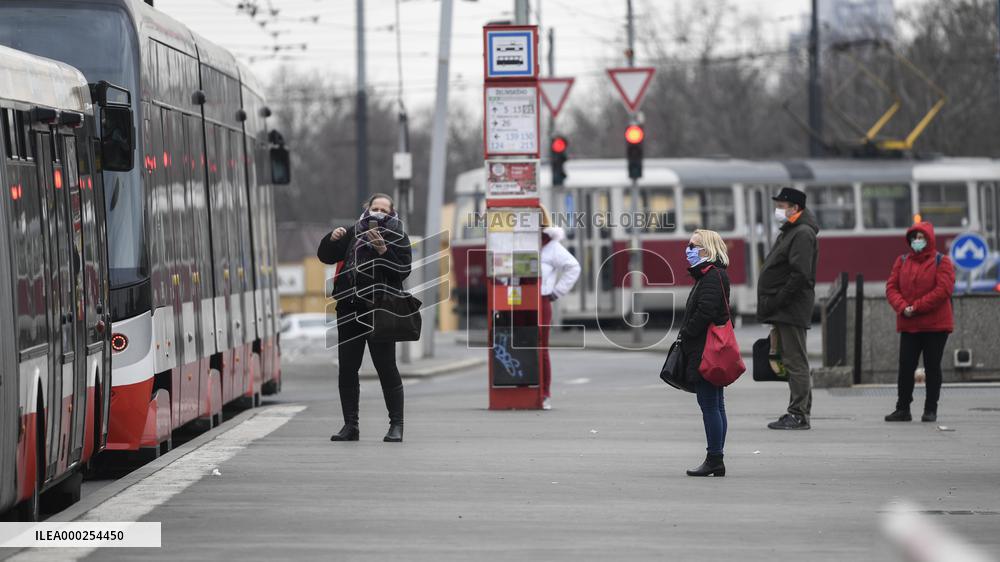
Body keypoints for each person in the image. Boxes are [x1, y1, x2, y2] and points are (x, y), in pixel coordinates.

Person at [317, 193, 412, 443]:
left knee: (386, 367)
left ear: (391, 213)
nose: (378, 212)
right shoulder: (353, 232)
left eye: (383, 209)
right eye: (374, 208)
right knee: (347, 369)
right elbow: (326, 256)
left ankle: (396, 426)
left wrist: (383, 251)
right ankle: (351, 425)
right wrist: (331, 239)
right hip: (349, 308)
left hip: (380, 310)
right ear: (366, 209)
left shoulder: (399, 236)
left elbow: (403, 271)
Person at [757, 187, 820, 430]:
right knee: (795, 360)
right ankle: (800, 411)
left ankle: (798, 414)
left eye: (782, 205)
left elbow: (800, 274)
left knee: (795, 361)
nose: (778, 210)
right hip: (785, 307)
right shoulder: (792, 231)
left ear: (795, 208)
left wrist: (778, 300)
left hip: (790, 307)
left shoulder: (802, 233)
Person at [884, 221, 955, 423]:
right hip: (909, 324)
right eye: (914, 238)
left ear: (929, 239)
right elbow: (891, 287)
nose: (917, 241)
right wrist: (902, 307)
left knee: (932, 367)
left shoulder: (943, 262)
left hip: (935, 326)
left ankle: (930, 409)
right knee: (906, 366)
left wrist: (915, 307)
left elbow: (943, 291)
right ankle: (902, 409)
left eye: (921, 237)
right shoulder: (902, 261)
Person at [679, 229, 732, 477]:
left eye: (693, 246)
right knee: (716, 405)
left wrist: (687, 333)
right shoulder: (712, 275)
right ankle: (716, 457)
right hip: (709, 348)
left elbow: (705, 312)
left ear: (707, 249)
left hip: (705, 349)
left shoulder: (712, 276)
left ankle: (714, 458)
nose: (688, 250)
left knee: (710, 405)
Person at [538, 210, 581, 410]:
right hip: (513, 301)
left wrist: (555, 293)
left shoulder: (552, 247)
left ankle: (544, 393)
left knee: (540, 348)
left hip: (540, 301)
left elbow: (574, 267)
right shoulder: (515, 242)